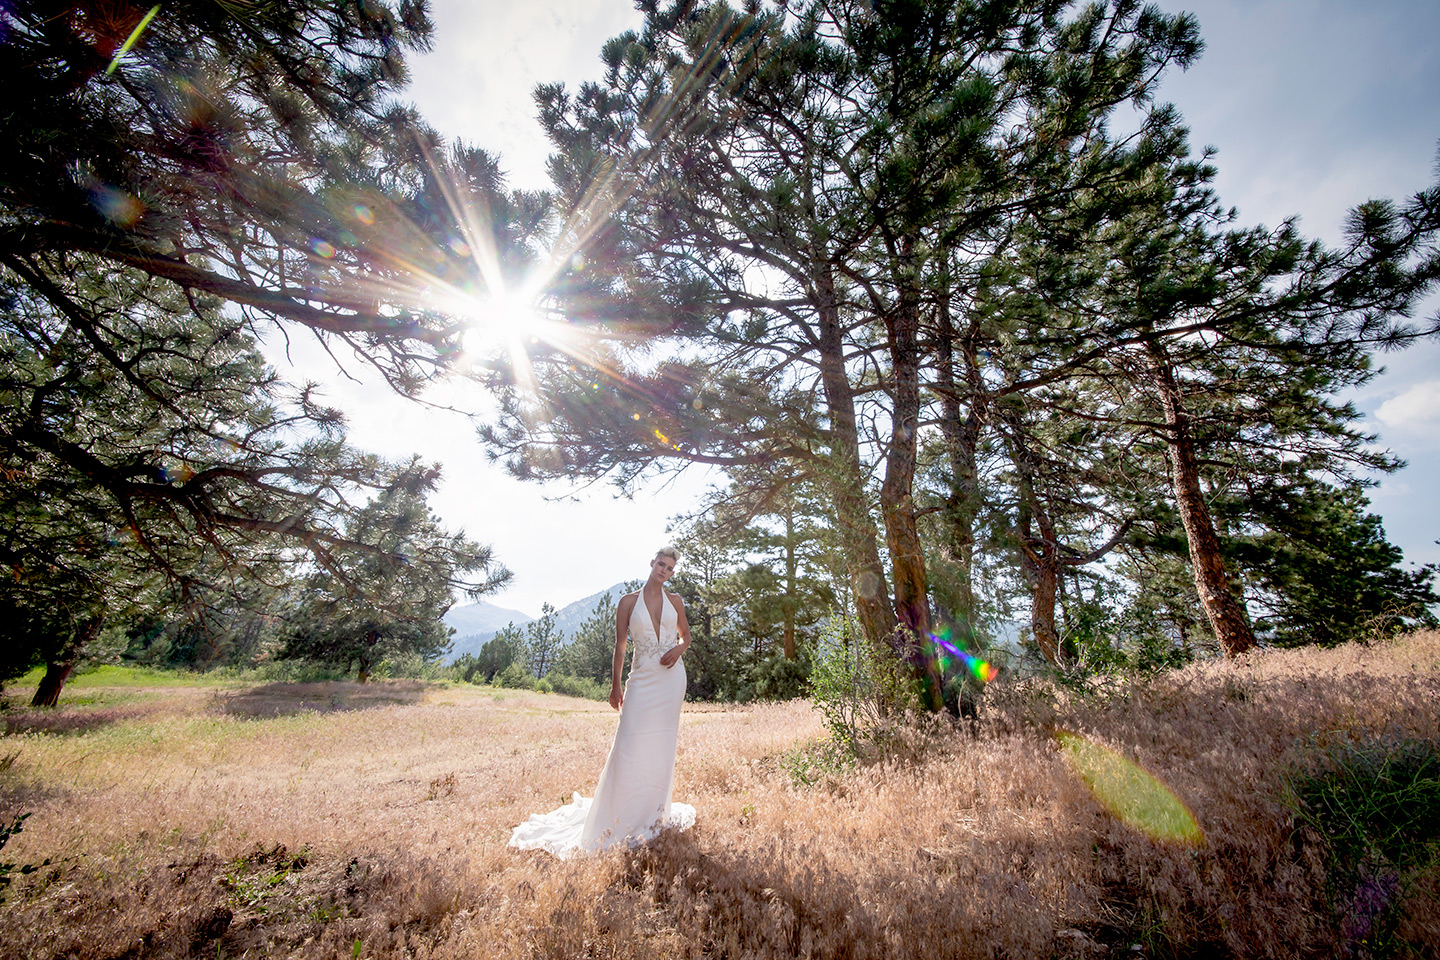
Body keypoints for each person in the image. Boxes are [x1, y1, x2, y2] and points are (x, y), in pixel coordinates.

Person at [508, 547, 696, 857]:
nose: (664, 570)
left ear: (673, 573)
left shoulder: (675, 601)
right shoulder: (627, 602)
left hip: (670, 682)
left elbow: (686, 637)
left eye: (669, 568)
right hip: (641, 680)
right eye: (660, 564)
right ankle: (615, 818)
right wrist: (615, 686)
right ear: (651, 564)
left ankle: (652, 814)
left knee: (661, 747)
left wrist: (678, 650)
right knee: (628, 744)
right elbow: (620, 647)